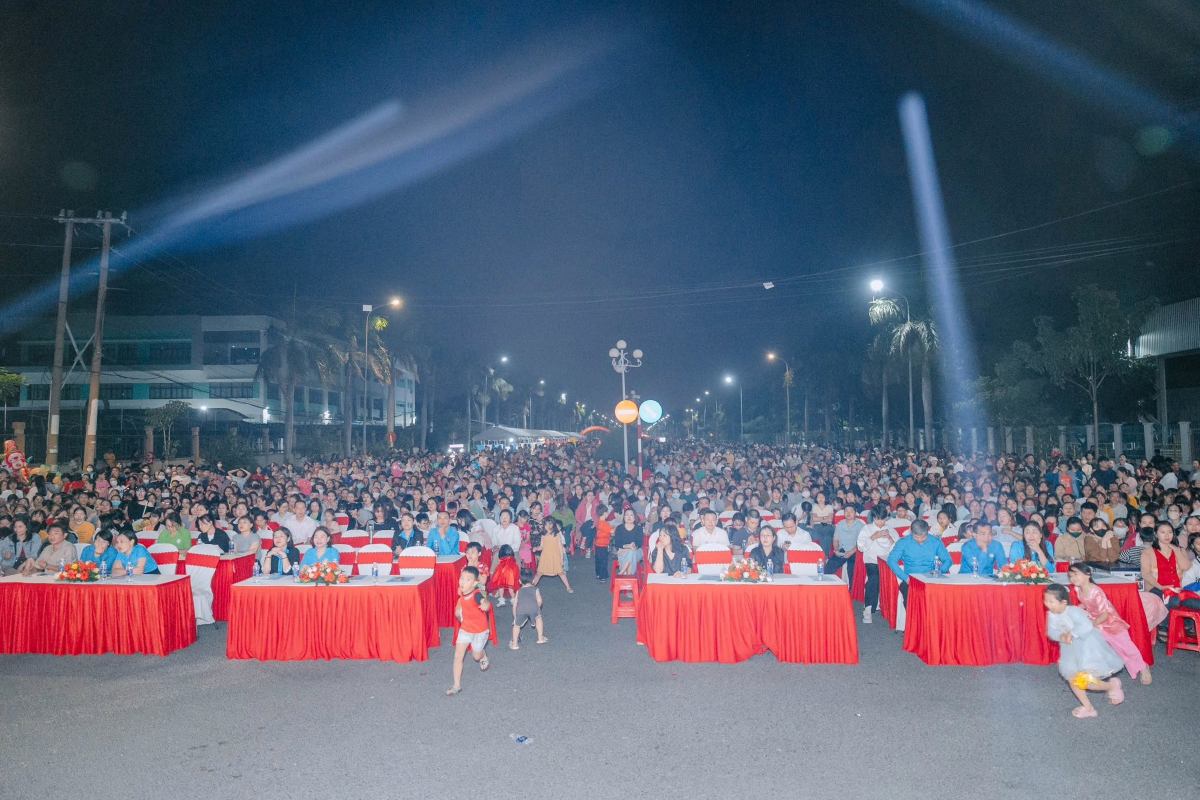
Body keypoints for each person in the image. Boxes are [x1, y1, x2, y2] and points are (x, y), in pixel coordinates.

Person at [1044, 583, 1126, 719]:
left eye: (1051, 601)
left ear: (1063, 602)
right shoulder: (1051, 615)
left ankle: (1111, 686)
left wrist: (1072, 634)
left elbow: (1086, 626)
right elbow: (1051, 632)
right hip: (1070, 652)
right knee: (1073, 679)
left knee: (1085, 681)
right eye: (1046, 600)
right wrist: (1060, 636)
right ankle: (1088, 708)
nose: (1047, 604)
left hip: (1086, 649)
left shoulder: (1074, 611)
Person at [1068, 563, 1151, 685]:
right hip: (1095, 620)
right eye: (1070, 576)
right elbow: (1086, 603)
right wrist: (1077, 610)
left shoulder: (1096, 591)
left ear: (1088, 574)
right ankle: (1091, 669)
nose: (1073, 578)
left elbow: (1105, 614)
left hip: (1109, 622)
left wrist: (1092, 624)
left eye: (1076, 574)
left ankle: (1143, 667)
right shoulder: (1078, 589)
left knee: (1126, 647)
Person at [447, 566, 491, 695]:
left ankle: (483, 655)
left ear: (475, 583)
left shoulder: (476, 594)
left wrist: (485, 605)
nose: (462, 582)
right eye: (462, 578)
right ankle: (456, 686)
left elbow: (484, 602)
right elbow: (460, 604)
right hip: (465, 629)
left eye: (467, 580)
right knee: (457, 656)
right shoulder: (462, 593)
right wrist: (458, 612)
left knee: (476, 656)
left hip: (480, 631)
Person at [886, 519, 952, 601]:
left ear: (927, 532)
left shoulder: (935, 542)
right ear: (911, 532)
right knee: (910, 598)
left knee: (943, 597)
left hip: (931, 578)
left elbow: (948, 560)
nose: (920, 540)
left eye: (924, 537)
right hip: (911, 579)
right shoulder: (903, 542)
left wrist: (940, 571)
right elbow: (891, 560)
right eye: (916, 537)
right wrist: (905, 578)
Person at [858, 506, 897, 624]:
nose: (881, 522)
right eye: (878, 519)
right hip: (872, 560)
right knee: (874, 578)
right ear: (874, 518)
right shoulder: (866, 528)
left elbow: (898, 547)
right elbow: (860, 547)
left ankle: (891, 609)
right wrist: (873, 537)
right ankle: (868, 609)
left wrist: (890, 538)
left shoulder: (890, 529)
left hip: (887, 560)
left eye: (883, 519)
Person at [509, 569, 548, 650]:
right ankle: (540, 638)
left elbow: (515, 604)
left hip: (521, 609)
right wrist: (537, 608)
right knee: (538, 618)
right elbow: (540, 601)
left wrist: (515, 616)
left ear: (519, 581)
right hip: (533, 608)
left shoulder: (519, 591)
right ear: (533, 580)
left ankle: (515, 644)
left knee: (516, 626)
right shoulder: (535, 589)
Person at [533, 518, 572, 593]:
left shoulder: (557, 535)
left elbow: (560, 548)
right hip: (545, 557)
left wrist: (561, 559)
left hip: (555, 557)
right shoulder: (543, 535)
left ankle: (568, 587)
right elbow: (541, 546)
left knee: (561, 573)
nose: (547, 526)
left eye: (549, 524)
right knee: (539, 573)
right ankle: (531, 587)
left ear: (553, 525)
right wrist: (536, 548)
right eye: (546, 524)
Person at [612, 508, 643, 576]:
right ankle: (628, 574)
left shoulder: (639, 528)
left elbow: (640, 543)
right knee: (630, 552)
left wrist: (634, 546)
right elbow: (617, 543)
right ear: (624, 517)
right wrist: (628, 546)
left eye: (631, 515)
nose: (629, 517)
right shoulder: (619, 528)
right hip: (623, 551)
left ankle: (622, 571)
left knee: (632, 552)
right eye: (627, 515)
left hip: (637, 551)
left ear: (634, 518)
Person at [593, 505, 613, 581]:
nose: (608, 513)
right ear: (604, 513)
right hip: (603, 545)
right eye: (607, 512)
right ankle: (603, 576)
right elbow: (611, 531)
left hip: (598, 544)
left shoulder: (599, 521)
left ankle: (598, 574)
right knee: (603, 561)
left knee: (598, 560)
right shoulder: (604, 523)